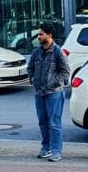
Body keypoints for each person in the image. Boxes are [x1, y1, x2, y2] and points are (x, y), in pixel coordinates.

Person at [27, 22, 70, 162]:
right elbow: (30, 68)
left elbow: (65, 72)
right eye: (38, 34)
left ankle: (56, 151)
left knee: (54, 124)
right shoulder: (36, 52)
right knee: (43, 122)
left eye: (41, 34)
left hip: (54, 93)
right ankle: (46, 148)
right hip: (40, 93)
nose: (38, 37)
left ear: (49, 35)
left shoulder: (58, 52)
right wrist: (33, 80)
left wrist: (53, 82)